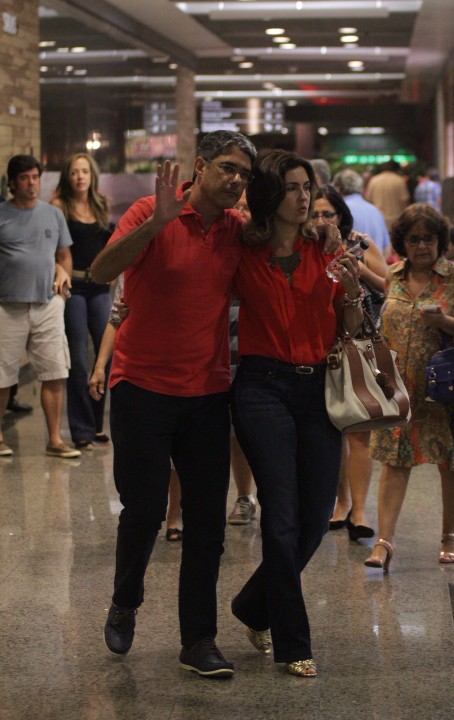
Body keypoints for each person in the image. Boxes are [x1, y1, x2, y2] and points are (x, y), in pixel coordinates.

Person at [90, 131, 257, 678]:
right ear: (201, 166)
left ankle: (199, 639)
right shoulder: (148, 209)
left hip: (207, 393)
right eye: (229, 169)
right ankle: (125, 599)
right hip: (140, 387)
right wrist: (157, 223)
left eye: (245, 174)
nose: (237, 180)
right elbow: (101, 271)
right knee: (142, 511)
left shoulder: (236, 230)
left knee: (207, 523)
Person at [230, 150, 363, 677]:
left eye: (307, 186)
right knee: (281, 519)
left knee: (312, 521)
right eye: (291, 187)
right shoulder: (242, 249)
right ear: (270, 194)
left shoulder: (324, 249)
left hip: (317, 391)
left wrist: (351, 290)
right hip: (262, 388)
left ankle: (251, 605)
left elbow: (347, 323)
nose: (304, 196)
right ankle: (293, 642)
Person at [365, 203, 454, 572]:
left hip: (447, 390)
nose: (421, 246)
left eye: (429, 238)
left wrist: (447, 322)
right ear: (403, 242)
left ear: (440, 241)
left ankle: (449, 535)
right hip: (401, 389)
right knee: (394, 463)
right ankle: (384, 541)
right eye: (414, 239)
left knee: (451, 464)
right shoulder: (393, 276)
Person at [313, 184, 387, 538]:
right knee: (334, 427)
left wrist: (353, 263)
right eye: (315, 214)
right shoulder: (303, 245)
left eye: (328, 213)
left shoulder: (361, 241)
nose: (322, 219)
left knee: (359, 430)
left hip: (359, 343)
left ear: (340, 215)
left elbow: (385, 284)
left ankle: (359, 510)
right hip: (322, 344)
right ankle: (340, 503)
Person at [88, 275, 183, 541]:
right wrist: (99, 367)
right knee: (148, 457)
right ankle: (148, 516)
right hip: (140, 372)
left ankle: (175, 512)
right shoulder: (130, 270)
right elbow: (115, 318)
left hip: (182, 363)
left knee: (178, 453)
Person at [0, 155, 80, 459]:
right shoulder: (2, 214)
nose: (32, 183)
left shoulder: (53, 214)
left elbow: (64, 255)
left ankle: (55, 440)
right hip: (8, 305)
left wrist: (63, 281)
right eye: (24, 178)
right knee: (3, 374)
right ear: (12, 183)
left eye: (35, 177)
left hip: (47, 303)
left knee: (54, 371)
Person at [51, 154, 113, 450]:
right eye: (75, 172)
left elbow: (111, 244)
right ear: (68, 175)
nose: (80, 177)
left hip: (99, 286)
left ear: (92, 174)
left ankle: (96, 423)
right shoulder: (59, 206)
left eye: (85, 171)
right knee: (77, 358)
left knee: (105, 351)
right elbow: (52, 247)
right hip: (73, 286)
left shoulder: (101, 204)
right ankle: (82, 430)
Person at [228, 191, 256, 525]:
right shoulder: (223, 239)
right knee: (229, 428)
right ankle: (243, 495)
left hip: (250, 341)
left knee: (245, 428)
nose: (240, 212)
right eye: (235, 206)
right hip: (218, 338)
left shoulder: (262, 242)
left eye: (246, 206)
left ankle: (250, 495)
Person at [333, 168, 391, 257]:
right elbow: (387, 249)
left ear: (337, 187)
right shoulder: (375, 210)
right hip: (377, 268)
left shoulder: (339, 210)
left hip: (351, 268)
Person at [365, 159, 410, 232]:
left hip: (378, 220)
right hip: (396, 222)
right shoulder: (399, 181)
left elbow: (368, 200)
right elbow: (405, 202)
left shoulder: (374, 180)